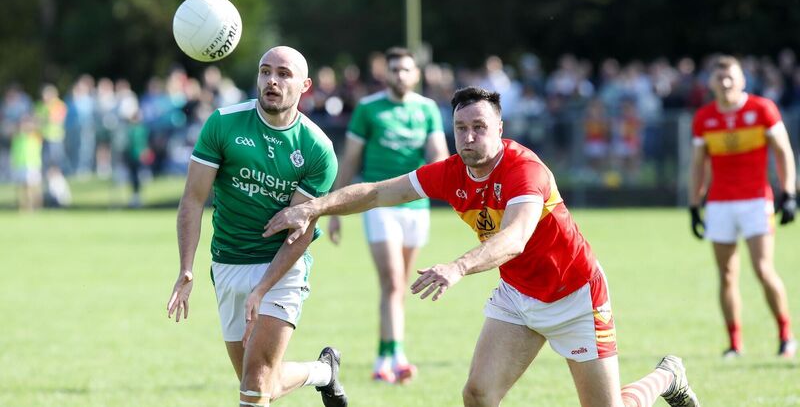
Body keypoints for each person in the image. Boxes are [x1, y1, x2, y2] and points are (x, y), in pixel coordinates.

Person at [264, 87, 700, 407]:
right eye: (461, 128)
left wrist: (457, 267)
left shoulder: (524, 170)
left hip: (575, 296)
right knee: (477, 394)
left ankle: (667, 375)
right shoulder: (450, 172)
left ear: (500, 129)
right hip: (517, 296)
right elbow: (378, 192)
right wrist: (316, 208)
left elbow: (514, 238)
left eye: (479, 127)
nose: (469, 137)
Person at [166, 46, 348, 407]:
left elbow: (301, 232)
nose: (272, 81)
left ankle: (319, 372)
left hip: (280, 266)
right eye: (265, 72)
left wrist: (263, 288)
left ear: (305, 85)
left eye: (283, 74)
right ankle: (323, 372)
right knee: (262, 386)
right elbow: (192, 199)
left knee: (254, 385)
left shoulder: (317, 148)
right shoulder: (223, 123)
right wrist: (187, 268)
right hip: (228, 262)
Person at [328, 46, 449, 383]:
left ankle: (386, 355)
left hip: (417, 206)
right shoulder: (368, 110)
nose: (400, 75)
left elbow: (439, 154)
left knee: (398, 288)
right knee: (393, 281)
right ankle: (395, 358)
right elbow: (350, 160)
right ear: (386, 74)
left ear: (416, 74)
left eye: (406, 69)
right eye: (394, 69)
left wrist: (455, 183)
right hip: (379, 206)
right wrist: (335, 209)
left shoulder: (426, 110)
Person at [688, 55, 797, 359]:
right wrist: (694, 204)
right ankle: (734, 344)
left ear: (742, 80)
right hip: (720, 205)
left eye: (730, 77)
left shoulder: (762, 109)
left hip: (755, 201)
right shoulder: (704, 118)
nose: (725, 83)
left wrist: (788, 193)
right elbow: (698, 165)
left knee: (763, 269)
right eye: (719, 78)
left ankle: (786, 335)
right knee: (726, 275)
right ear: (711, 83)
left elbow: (783, 151)